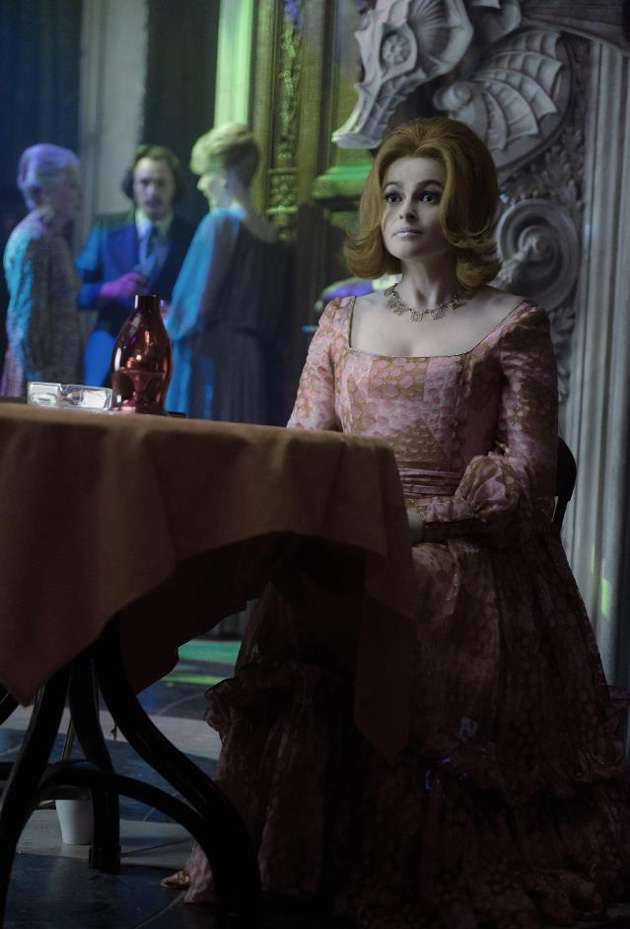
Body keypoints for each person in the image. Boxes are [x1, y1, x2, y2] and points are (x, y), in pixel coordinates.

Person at [164, 118, 630, 927]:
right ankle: (306, 852)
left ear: (466, 206)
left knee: (421, 589)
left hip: (466, 549)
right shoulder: (341, 322)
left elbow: (530, 477)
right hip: (351, 538)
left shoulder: (512, 321)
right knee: (311, 590)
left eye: (428, 194)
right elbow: (303, 448)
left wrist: (415, 523)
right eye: (393, 195)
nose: (405, 212)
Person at [165, 123, 290, 424]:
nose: (201, 185)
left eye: (204, 174)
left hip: (212, 357)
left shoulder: (219, 223)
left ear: (222, 174)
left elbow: (197, 307)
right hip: (249, 361)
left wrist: (168, 321)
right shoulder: (270, 233)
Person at [76, 144, 195, 387]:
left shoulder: (191, 236)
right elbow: (74, 292)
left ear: (175, 186)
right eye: (144, 182)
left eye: (161, 183)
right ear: (132, 185)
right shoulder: (106, 229)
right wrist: (110, 289)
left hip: (167, 356)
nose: (152, 192)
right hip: (109, 350)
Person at [1, 144, 82, 396]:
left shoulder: (51, 236)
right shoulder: (33, 239)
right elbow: (26, 325)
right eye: (72, 186)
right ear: (45, 191)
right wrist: (43, 390)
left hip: (55, 382)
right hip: (39, 386)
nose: (79, 195)